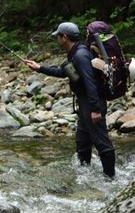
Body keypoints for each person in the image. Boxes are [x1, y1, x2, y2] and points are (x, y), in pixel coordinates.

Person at [23, 21, 116, 178]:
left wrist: (95, 109)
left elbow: (89, 82)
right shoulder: (76, 52)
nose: (56, 39)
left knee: (102, 143)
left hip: (91, 103)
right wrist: (39, 68)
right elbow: (63, 72)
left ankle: (111, 180)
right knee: (82, 142)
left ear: (64, 37)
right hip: (85, 103)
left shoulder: (80, 55)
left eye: (57, 36)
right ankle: (84, 175)